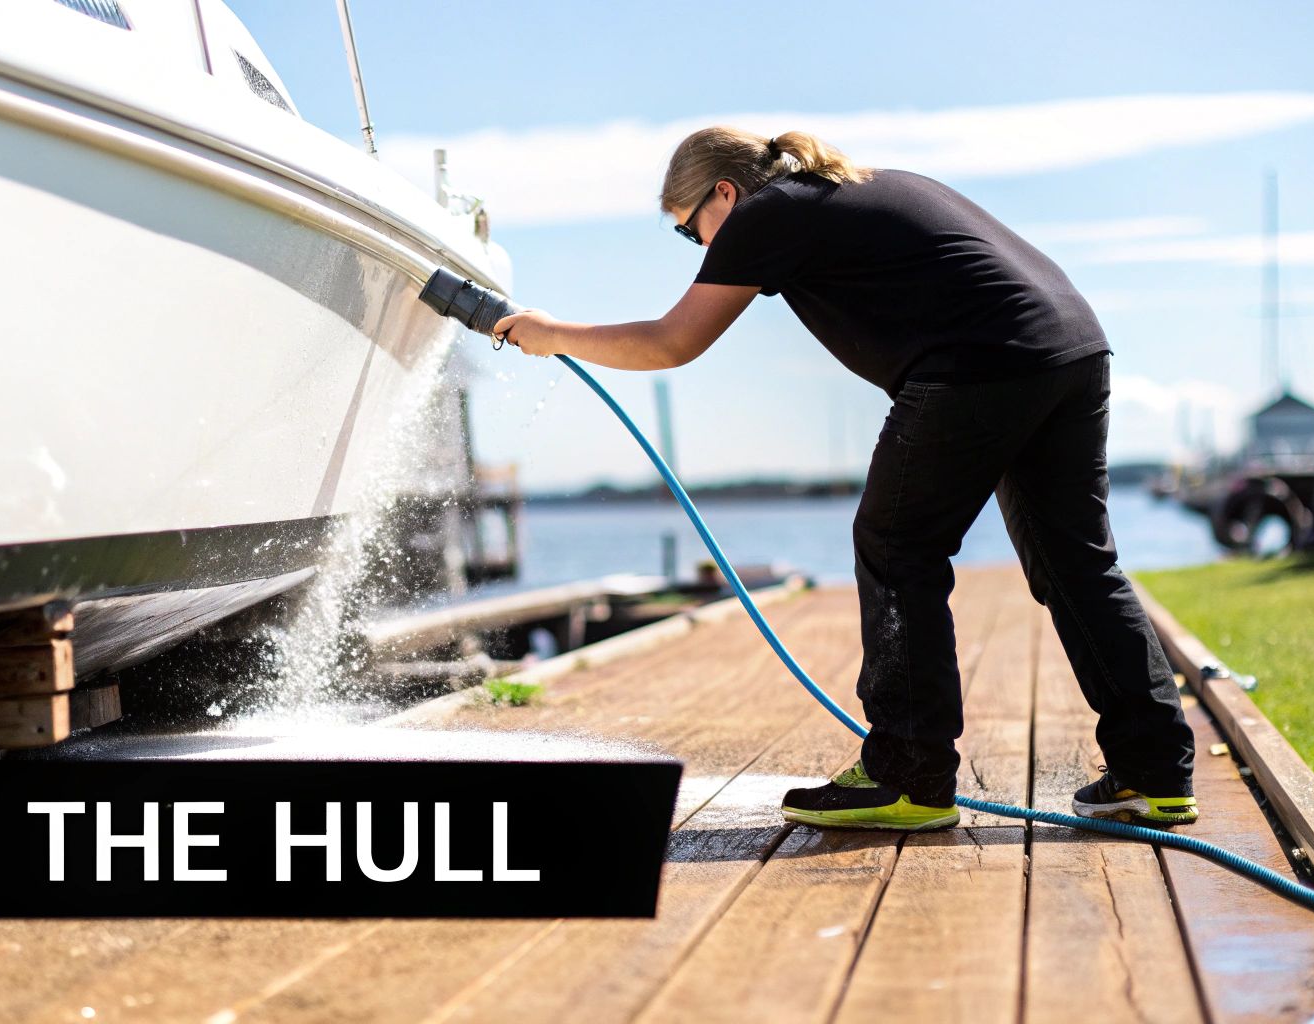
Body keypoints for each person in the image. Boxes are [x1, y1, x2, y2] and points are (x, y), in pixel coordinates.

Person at [491, 126, 1197, 831]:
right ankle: (1156, 773)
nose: (700, 247)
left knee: (896, 547)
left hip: (978, 364)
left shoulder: (766, 212)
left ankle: (908, 776)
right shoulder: (852, 186)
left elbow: (671, 342)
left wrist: (552, 334)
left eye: (689, 229)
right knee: (1077, 561)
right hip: (1073, 349)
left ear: (724, 193)